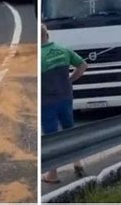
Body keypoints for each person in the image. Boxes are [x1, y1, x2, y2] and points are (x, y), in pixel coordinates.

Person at [41, 24, 88, 183]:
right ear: (47, 34)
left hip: (47, 102)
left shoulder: (39, 57)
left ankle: (52, 174)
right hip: (66, 97)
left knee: (51, 137)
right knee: (69, 128)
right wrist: (70, 80)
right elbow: (83, 66)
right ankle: (77, 162)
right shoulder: (63, 50)